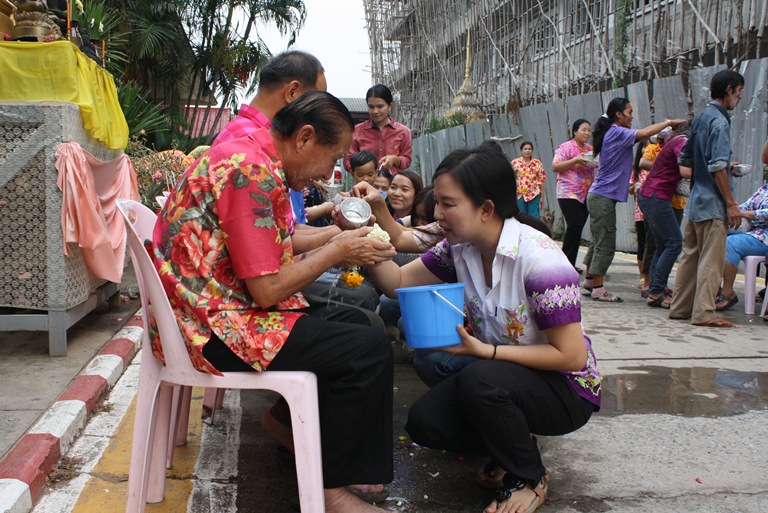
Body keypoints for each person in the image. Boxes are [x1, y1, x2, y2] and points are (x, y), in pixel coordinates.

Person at [153, 91, 397, 513]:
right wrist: (338, 251)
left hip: (211, 311)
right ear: (304, 138)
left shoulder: (251, 156)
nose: (329, 173)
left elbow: (273, 239)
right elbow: (267, 290)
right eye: (332, 158)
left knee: (360, 324)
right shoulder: (250, 171)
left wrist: (336, 236)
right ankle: (332, 493)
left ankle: (292, 430)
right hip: (210, 328)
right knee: (369, 347)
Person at [366, 145, 601, 513]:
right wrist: (366, 242)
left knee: (479, 378)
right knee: (426, 422)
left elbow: (571, 356)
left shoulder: (541, 261)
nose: (437, 214)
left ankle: (528, 477)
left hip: (565, 391)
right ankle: (514, 444)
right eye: (438, 202)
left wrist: (486, 351)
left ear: (487, 209)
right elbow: (396, 283)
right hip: (504, 376)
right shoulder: (461, 248)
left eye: (448, 204)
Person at [581, 98, 686, 302]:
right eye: (629, 112)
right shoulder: (616, 131)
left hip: (599, 196)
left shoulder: (612, 131)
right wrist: (669, 122)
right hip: (602, 197)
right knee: (605, 243)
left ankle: (590, 281)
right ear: (618, 114)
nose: (632, 116)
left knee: (598, 240)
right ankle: (598, 289)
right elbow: (644, 134)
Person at [670, 69, 745, 327]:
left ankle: (680, 308)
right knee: (711, 260)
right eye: (739, 92)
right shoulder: (720, 122)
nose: (739, 98)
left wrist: (708, 170)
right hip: (712, 203)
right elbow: (717, 165)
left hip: (695, 201)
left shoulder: (701, 117)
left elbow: (686, 159)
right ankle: (704, 312)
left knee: (690, 257)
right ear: (729, 90)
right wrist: (731, 203)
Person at [637, 125, 691, 309]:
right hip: (656, 196)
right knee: (674, 243)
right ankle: (656, 290)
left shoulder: (677, 141)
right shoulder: (683, 141)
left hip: (650, 196)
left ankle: (655, 289)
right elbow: (685, 170)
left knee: (662, 245)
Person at [715, 183, 768, 312]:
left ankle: (728, 292)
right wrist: (734, 211)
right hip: (753, 231)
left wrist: (743, 214)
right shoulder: (764, 188)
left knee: (731, 243)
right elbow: (747, 205)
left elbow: (764, 213)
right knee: (715, 235)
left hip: (764, 236)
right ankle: (714, 288)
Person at [552, 119, 596, 273]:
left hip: (585, 193)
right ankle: (564, 265)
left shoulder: (589, 149)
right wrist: (576, 160)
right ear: (575, 131)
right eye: (583, 130)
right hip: (568, 193)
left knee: (577, 228)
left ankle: (569, 263)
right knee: (574, 225)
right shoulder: (565, 147)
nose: (587, 133)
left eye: (589, 130)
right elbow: (555, 166)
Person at [343, 84, 412, 174]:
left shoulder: (403, 132)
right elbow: (347, 160)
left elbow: (407, 159)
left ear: (390, 106)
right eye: (371, 107)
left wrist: (395, 160)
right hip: (364, 181)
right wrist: (363, 170)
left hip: (392, 181)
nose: (375, 111)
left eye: (380, 106)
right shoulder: (357, 131)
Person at [511, 141, 547, 218]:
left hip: (534, 194)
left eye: (529, 149)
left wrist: (542, 197)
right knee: (521, 217)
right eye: (525, 149)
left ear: (532, 150)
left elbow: (542, 180)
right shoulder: (515, 163)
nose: (527, 151)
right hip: (520, 194)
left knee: (534, 217)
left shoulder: (537, 163)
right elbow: (509, 176)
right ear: (521, 151)